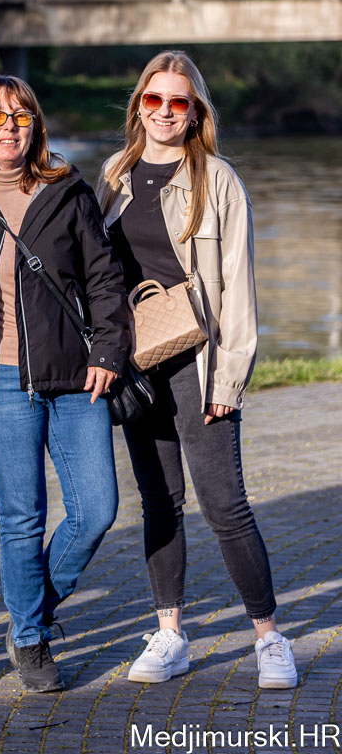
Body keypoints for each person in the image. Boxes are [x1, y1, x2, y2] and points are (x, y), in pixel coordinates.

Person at [97, 50, 297, 689]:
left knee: (224, 504)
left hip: (199, 362)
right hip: (138, 364)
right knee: (159, 502)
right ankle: (171, 633)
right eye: (153, 100)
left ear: (195, 111)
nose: (164, 112)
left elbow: (238, 288)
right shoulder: (114, 173)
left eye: (177, 101)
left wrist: (229, 380)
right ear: (139, 106)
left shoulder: (218, 179)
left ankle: (269, 636)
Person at [0, 75, 130, 692]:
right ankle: (30, 639)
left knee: (97, 510)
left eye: (20, 117)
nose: (8, 128)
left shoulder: (67, 190)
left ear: (36, 125)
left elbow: (104, 277)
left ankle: (32, 609)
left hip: (75, 376)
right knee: (22, 517)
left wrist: (109, 349)